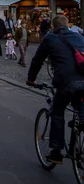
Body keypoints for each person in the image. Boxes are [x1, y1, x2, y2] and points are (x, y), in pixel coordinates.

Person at [27, 15, 84, 165]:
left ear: (52, 27)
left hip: (67, 83)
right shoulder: (79, 37)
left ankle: (56, 152)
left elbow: (38, 60)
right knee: (81, 114)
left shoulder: (50, 38)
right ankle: (79, 135)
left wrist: (31, 79)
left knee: (57, 112)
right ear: (68, 25)